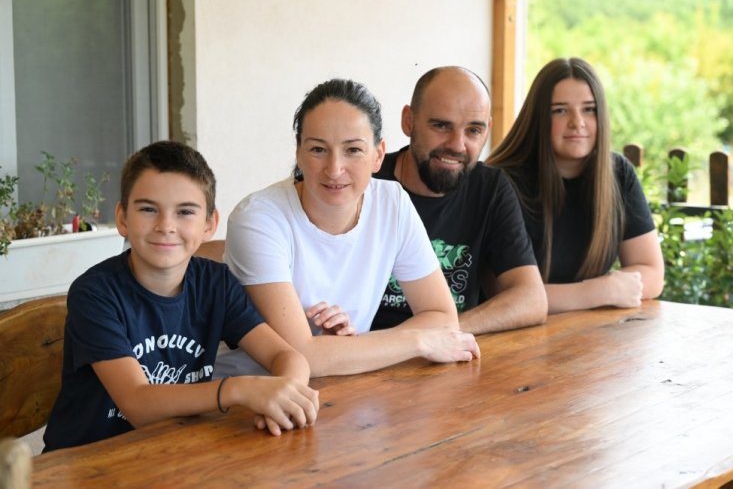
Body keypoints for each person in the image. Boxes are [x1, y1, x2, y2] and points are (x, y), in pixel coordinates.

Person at [43, 141, 319, 452]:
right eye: (148, 209)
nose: (166, 226)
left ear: (209, 224)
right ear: (122, 218)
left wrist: (286, 396)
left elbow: (287, 357)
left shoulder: (216, 284)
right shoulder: (95, 294)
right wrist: (240, 389)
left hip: (172, 452)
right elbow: (137, 403)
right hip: (86, 461)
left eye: (185, 212)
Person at [222, 78, 480, 378]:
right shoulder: (258, 219)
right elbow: (302, 357)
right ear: (298, 154)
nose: (334, 169)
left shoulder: (392, 204)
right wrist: (419, 341)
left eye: (353, 150)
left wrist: (344, 350)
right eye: (318, 149)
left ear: (378, 155)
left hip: (345, 387)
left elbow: (443, 318)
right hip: (245, 394)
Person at [371, 66, 548, 334]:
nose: (457, 144)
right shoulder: (366, 183)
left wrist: (439, 333)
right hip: (367, 351)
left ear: (487, 130)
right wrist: (408, 343)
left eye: (473, 130)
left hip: (449, 349)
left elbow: (531, 299)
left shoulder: (490, 188)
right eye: (441, 126)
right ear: (408, 121)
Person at [486, 57, 664, 313]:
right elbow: (503, 295)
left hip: (586, 330)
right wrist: (601, 291)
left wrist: (590, 294)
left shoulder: (617, 173)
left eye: (589, 109)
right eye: (560, 110)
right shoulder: (501, 182)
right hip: (513, 333)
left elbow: (652, 273)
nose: (577, 121)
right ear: (538, 117)